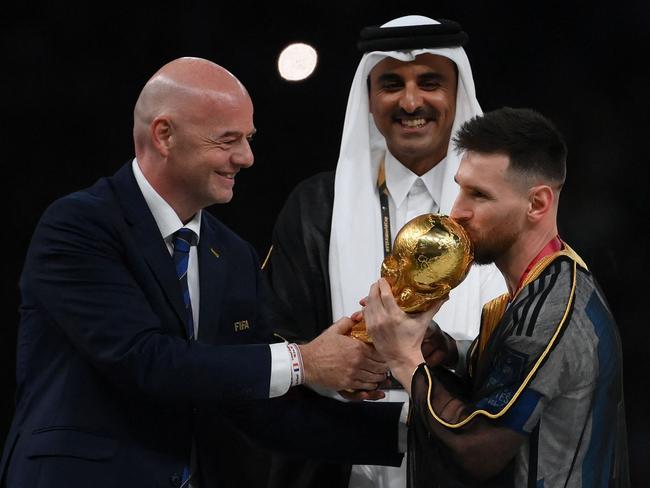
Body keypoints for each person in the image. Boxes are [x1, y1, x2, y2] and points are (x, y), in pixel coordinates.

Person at [0, 57, 408, 488]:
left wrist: (412, 426)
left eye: (249, 139)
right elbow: (145, 361)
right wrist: (302, 360)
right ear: (164, 136)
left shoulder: (233, 255)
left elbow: (254, 402)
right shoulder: (78, 226)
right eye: (228, 140)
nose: (247, 158)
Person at [264, 14, 507, 488]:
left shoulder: (500, 208)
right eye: (391, 84)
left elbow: (532, 345)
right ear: (369, 100)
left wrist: (453, 352)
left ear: (457, 95)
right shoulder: (316, 206)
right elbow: (272, 341)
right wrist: (319, 362)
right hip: (339, 466)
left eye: (430, 82)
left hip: (471, 464)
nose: (411, 101)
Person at [364, 107, 630, 487]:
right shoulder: (543, 283)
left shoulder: (553, 310)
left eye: (479, 195)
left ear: (537, 204)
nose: (457, 211)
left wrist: (403, 359)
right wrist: (452, 352)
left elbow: (477, 449)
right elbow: (521, 376)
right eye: (460, 187)